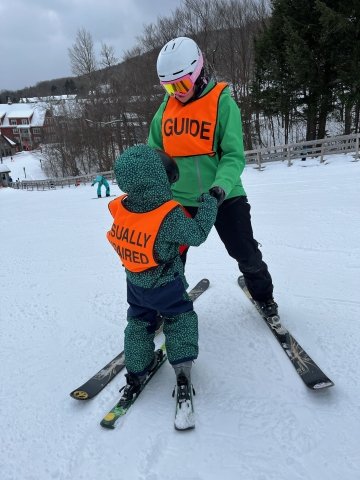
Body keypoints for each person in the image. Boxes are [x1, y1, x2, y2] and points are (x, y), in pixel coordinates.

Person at [148, 36, 278, 318]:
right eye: (168, 87)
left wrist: (220, 187)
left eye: (181, 84)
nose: (176, 93)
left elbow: (233, 155)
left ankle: (264, 297)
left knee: (245, 252)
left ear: (198, 73)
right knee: (170, 257)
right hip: (180, 199)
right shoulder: (165, 110)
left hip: (223, 195)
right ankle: (169, 305)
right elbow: (153, 153)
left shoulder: (222, 102)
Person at [107, 144, 217, 428]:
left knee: (139, 324)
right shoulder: (168, 214)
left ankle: (136, 370)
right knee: (180, 320)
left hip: (135, 284)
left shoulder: (120, 207)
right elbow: (196, 234)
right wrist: (209, 206)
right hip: (166, 284)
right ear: (159, 177)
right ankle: (181, 371)